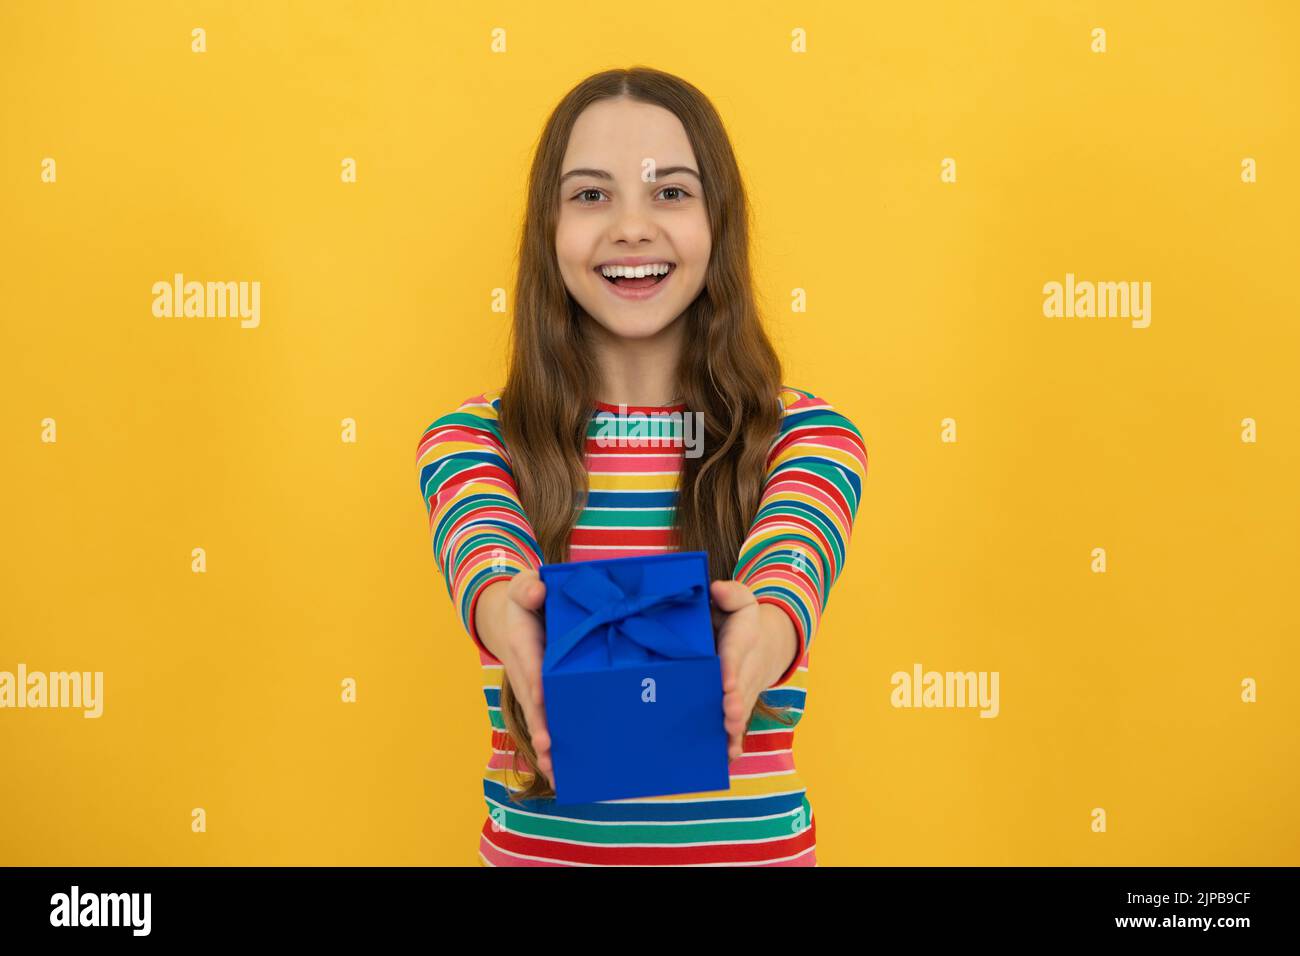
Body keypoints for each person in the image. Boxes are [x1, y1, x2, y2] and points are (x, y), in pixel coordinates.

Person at [416, 66, 867, 866]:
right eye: (591, 195)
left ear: (718, 223)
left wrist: (756, 638)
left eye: (670, 193)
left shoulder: (803, 435)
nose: (630, 226)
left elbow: (791, 569)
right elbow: (482, 548)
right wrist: (504, 616)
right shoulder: (475, 439)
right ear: (546, 230)